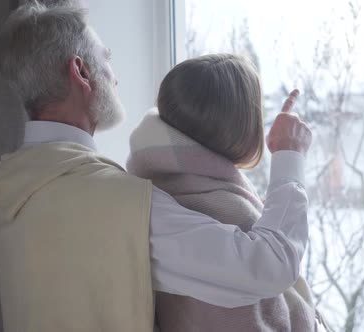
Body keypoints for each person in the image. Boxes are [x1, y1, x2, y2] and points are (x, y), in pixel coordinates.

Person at [0, 2, 312, 332]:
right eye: (106, 57)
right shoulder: (118, 205)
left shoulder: (7, 193)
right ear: (81, 72)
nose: (115, 76)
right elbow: (267, 266)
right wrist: (289, 154)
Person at [127, 53, 327, 332]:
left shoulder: (162, 186)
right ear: (244, 128)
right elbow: (272, 263)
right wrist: (289, 154)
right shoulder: (216, 209)